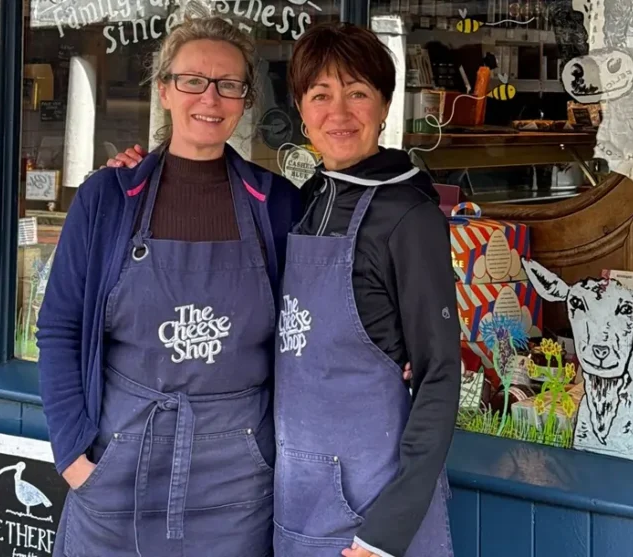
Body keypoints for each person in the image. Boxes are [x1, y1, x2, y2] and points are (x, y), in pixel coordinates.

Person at [108, 21, 460, 557]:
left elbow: (438, 375)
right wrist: (139, 169)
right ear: (301, 110)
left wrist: (387, 532)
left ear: (386, 106)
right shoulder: (308, 200)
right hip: (296, 499)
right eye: (321, 95)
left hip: (373, 512)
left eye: (358, 93)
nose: (338, 113)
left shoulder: (408, 215)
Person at [35, 17, 301, 557]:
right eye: (192, 81)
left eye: (229, 84)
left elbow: (307, 329)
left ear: (246, 99)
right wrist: (72, 455)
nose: (211, 97)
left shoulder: (276, 204)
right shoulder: (108, 198)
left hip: (240, 477)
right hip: (117, 462)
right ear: (164, 90)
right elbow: (59, 327)